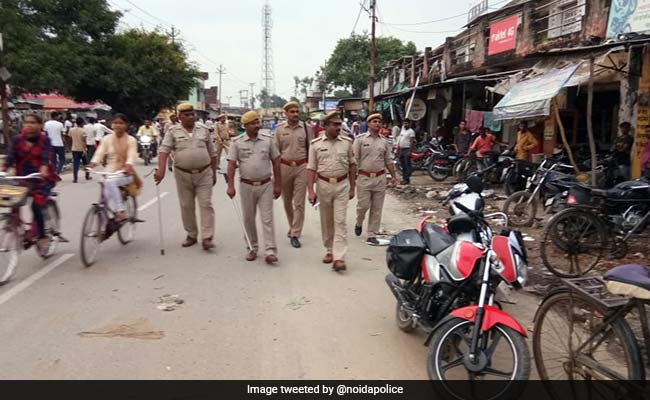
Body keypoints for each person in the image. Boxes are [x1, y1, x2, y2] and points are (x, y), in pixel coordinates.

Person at [155, 103, 217, 251]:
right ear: (179, 117)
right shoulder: (172, 131)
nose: (191, 117)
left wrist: (214, 172)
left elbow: (213, 153)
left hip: (204, 173)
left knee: (206, 204)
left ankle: (207, 237)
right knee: (186, 206)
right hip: (183, 174)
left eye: (192, 114)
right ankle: (191, 234)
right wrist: (161, 170)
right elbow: (164, 150)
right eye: (187, 115)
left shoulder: (203, 129)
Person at [227, 111, 282, 264]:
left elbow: (276, 162)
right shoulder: (237, 142)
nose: (257, 125)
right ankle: (252, 248)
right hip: (246, 185)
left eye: (257, 122)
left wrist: (278, 184)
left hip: (266, 185)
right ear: (245, 126)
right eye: (253, 123)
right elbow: (231, 165)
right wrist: (230, 186)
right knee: (248, 219)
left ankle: (270, 251)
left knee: (267, 219)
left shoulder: (267, 140)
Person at [307, 111, 356, 272]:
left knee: (340, 221)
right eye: (335, 124)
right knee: (326, 220)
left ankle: (339, 256)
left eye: (339, 124)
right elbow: (311, 168)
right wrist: (311, 191)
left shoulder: (347, 142)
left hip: (342, 185)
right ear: (326, 126)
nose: (338, 127)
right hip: (323, 185)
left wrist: (353, 187)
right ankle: (329, 249)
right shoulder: (315, 144)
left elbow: (352, 165)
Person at [2, 114, 57, 252]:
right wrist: (3, 169)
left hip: (41, 178)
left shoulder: (45, 140)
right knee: (11, 200)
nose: (29, 125)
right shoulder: (17, 140)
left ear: (40, 125)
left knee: (36, 206)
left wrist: (44, 168)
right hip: (22, 178)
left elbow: (46, 156)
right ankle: (15, 223)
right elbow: (10, 157)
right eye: (26, 122)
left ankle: (42, 236)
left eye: (33, 122)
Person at [353, 113, 398, 245]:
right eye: (374, 121)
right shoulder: (360, 140)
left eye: (379, 121)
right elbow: (354, 160)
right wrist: (352, 177)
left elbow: (388, 160)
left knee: (377, 208)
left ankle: (372, 234)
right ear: (368, 124)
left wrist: (394, 176)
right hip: (364, 177)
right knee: (363, 206)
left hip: (380, 178)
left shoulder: (384, 141)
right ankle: (359, 222)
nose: (377, 124)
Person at [87, 114, 139, 223]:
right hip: (109, 171)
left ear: (126, 125)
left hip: (125, 172)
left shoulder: (131, 140)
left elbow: (131, 155)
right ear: (111, 124)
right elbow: (100, 153)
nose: (118, 125)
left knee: (110, 182)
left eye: (121, 123)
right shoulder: (107, 139)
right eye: (115, 123)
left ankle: (120, 210)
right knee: (104, 193)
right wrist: (92, 164)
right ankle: (104, 222)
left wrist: (128, 165)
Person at [275, 101, 312, 248]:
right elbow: (276, 152)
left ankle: (295, 233)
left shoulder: (306, 128)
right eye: (292, 112)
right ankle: (292, 225)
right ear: (286, 114)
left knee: (299, 203)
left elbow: (311, 150)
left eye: (297, 111)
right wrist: (275, 175)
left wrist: (312, 171)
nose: (295, 114)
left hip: (301, 167)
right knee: (287, 201)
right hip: (284, 167)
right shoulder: (279, 130)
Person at [70, 117, 90, 183]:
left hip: (74, 148)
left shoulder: (71, 130)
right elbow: (84, 141)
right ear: (82, 123)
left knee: (75, 164)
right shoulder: (83, 131)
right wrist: (85, 149)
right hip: (82, 149)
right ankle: (87, 175)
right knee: (85, 163)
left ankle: (75, 178)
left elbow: (70, 138)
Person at [397, 119, 416, 185]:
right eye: (404, 123)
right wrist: (398, 149)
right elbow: (400, 139)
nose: (405, 125)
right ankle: (404, 178)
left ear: (409, 124)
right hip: (401, 149)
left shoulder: (411, 132)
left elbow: (412, 142)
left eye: (406, 123)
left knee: (407, 164)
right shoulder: (403, 130)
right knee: (403, 165)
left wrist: (410, 151)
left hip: (407, 149)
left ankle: (406, 178)